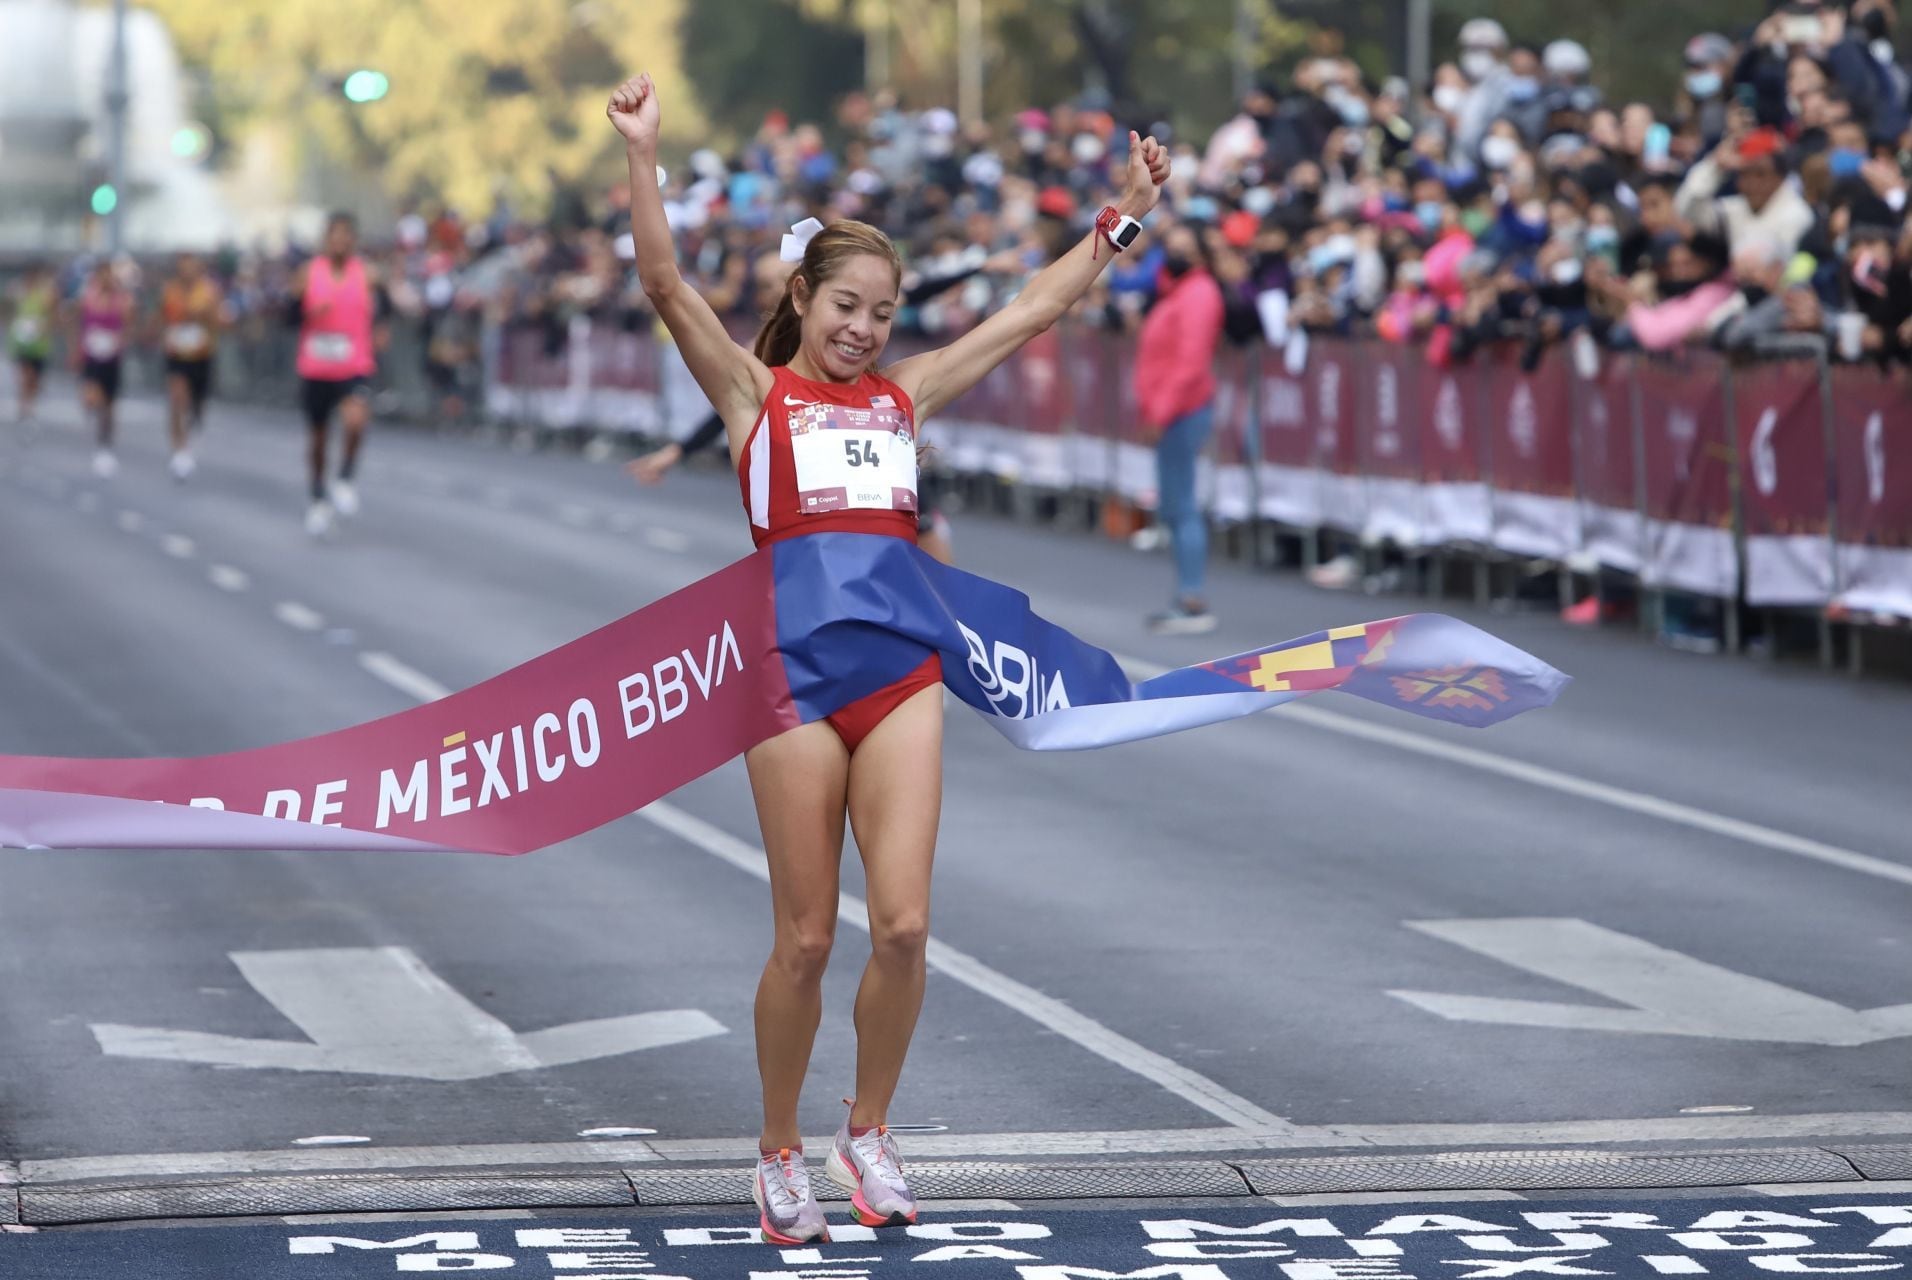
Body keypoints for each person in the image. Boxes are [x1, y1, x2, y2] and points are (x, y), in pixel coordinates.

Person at [606, 71, 1167, 1245]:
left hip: (901, 678)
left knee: (903, 924)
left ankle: (868, 1127)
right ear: (803, 299)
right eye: (845, 306)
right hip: (791, 686)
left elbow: (1023, 316)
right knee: (806, 938)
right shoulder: (756, 397)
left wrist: (1122, 218)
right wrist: (642, 153)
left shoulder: (905, 398)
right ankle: (775, 1150)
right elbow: (662, 282)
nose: (864, 329)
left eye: (880, 312)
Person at [1133, 221, 1225, 634]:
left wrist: (1161, 411)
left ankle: (1192, 599)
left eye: (1186, 246)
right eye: (1172, 243)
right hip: (1172, 410)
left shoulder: (1199, 294)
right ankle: (1186, 596)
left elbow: (1190, 363)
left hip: (1182, 411)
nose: (1176, 251)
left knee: (1182, 504)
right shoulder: (1178, 292)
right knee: (1173, 504)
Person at [291, 212, 382, 536]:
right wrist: (307, 310)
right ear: (326, 239)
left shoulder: (367, 274)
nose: (340, 241)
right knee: (318, 438)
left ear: (353, 239)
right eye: (334, 235)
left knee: (357, 420)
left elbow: (384, 307)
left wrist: (382, 328)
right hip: (316, 366)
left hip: (353, 363)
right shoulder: (308, 273)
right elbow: (288, 316)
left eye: (346, 235)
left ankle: (345, 476)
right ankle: (317, 493)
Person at [156, 252, 225, 480]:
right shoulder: (169, 291)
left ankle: (195, 417)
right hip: (176, 354)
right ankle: (180, 450)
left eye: (191, 267)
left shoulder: (209, 292)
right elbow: (160, 318)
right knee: (177, 398)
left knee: (197, 404)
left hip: (201, 354)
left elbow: (221, 320)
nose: (187, 271)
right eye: (183, 267)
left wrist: (205, 317)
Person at [73, 259, 133, 477]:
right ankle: (90, 408)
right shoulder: (88, 297)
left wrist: (120, 342)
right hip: (91, 355)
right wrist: (77, 350)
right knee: (92, 396)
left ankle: (105, 445)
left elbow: (128, 326)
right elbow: (78, 323)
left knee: (109, 405)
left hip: (111, 357)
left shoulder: (122, 300)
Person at [7, 262, 56, 429]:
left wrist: (43, 326)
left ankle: (30, 404)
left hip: (38, 345)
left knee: (34, 380)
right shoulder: (17, 292)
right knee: (24, 377)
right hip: (22, 343)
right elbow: (9, 312)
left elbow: (52, 317)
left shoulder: (45, 295)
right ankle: (24, 408)